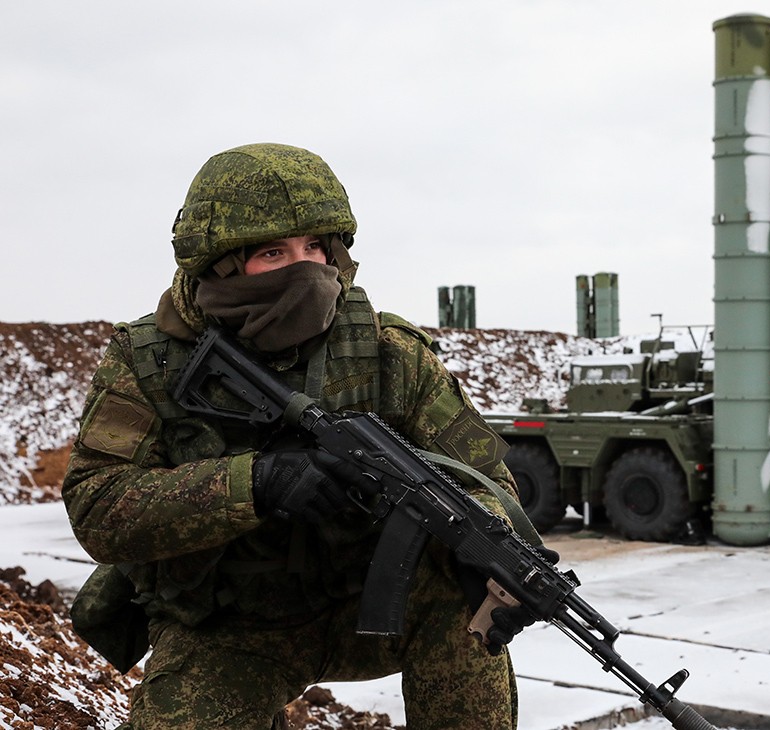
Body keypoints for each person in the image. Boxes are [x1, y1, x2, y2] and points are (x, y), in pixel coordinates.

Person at [63, 142, 537, 729]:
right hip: (231, 625)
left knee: (471, 613)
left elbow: (493, 483)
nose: (306, 268)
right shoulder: (149, 362)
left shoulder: (389, 351)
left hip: (373, 607)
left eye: (315, 246)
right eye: (274, 252)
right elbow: (97, 505)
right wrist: (255, 484)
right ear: (220, 264)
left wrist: (495, 557)